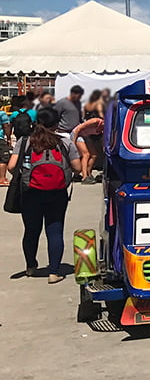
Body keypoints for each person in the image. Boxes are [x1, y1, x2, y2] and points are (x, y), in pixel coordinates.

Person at [8, 108, 81, 282]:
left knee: (31, 231)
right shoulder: (65, 143)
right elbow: (77, 167)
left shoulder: (25, 141)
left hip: (31, 193)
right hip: (57, 193)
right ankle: (54, 272)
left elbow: (11, 166)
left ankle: (31, 267)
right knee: (55, 231)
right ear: (57, 124)